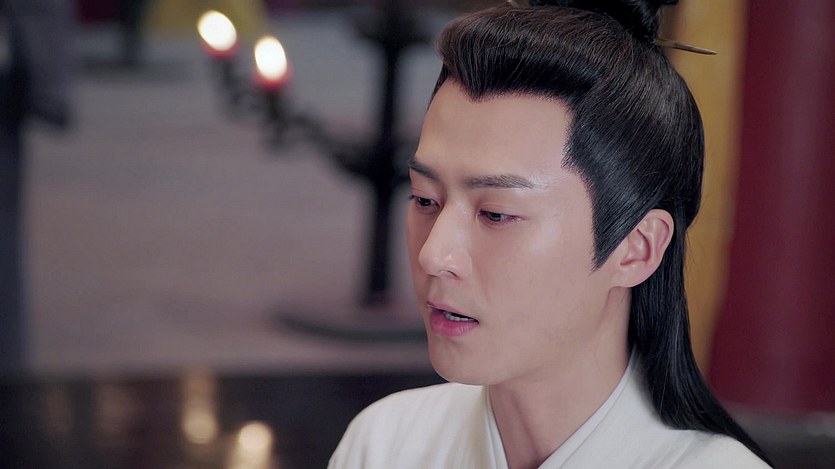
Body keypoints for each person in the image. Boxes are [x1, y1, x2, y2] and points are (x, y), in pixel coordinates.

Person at [329, 1, 772, 467]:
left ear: (636, 247)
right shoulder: (385, 444)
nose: (433, 254)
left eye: (496, 214)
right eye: (424, 199)